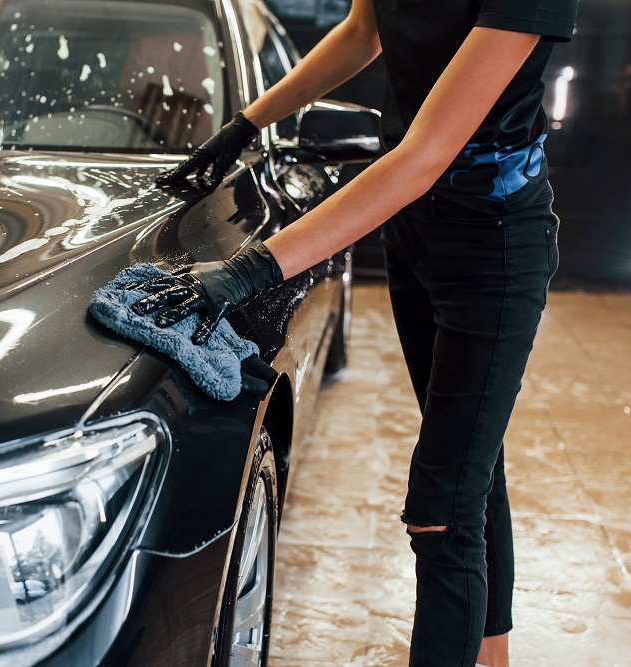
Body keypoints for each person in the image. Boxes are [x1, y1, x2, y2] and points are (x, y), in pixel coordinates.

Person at [134, 0, 580, 665]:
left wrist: (255, 266)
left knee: (440, 510)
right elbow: (363, 29)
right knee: (471, 472)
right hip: (417, 231)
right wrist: (249, 122)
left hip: (494, 243)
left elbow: (426, 152)